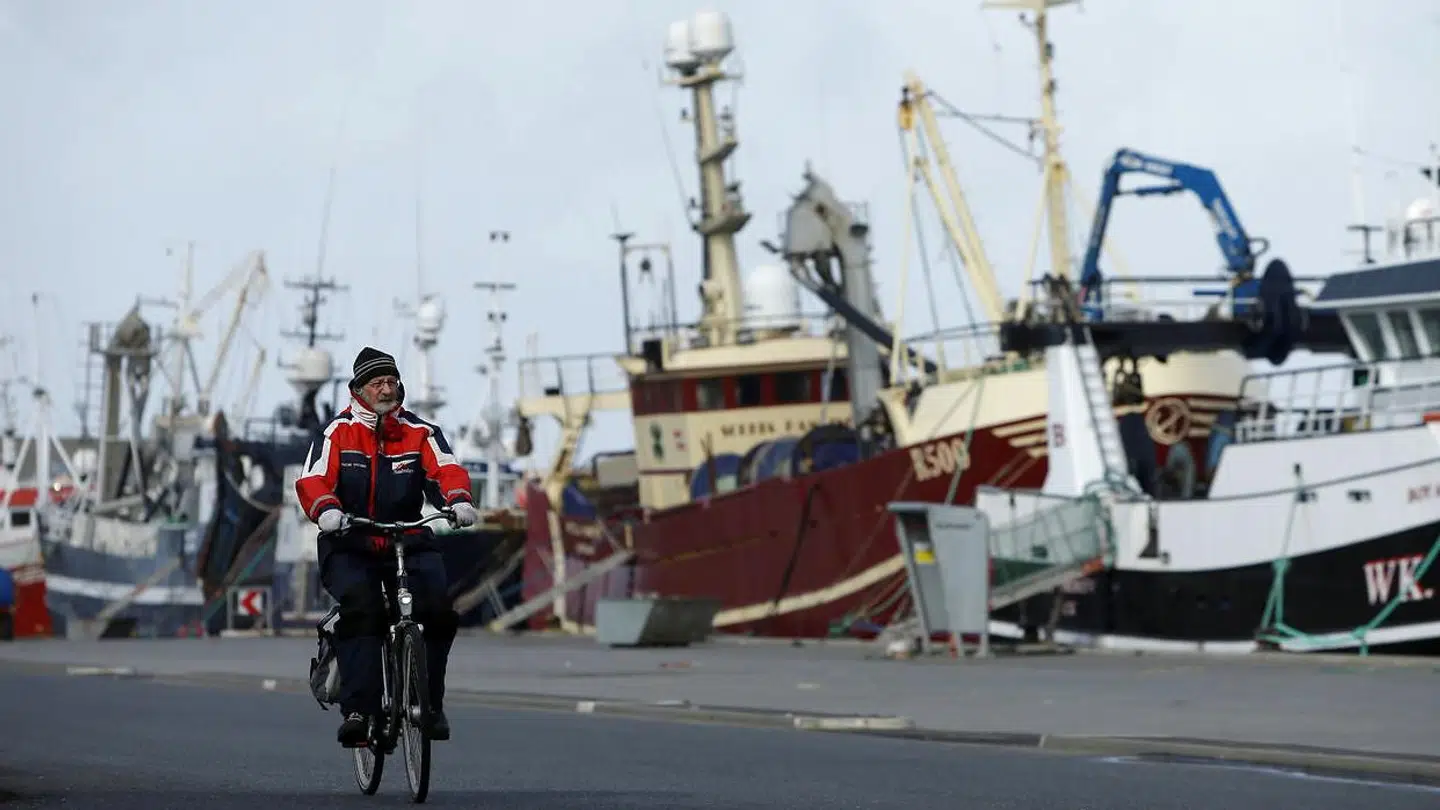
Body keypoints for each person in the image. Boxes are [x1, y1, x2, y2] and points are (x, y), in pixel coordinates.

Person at [295, 346, 479, 746]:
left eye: (391, 381)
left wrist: (459, 499)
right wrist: (326, 510)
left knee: (438, 611)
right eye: (377, 382)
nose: (386, 388)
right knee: (362, 611)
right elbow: (313, 480)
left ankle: (428, 703)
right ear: (358, 390)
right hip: (350, 541)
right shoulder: (336, 433)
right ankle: (359, 711)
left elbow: (445, 469)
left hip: (409, 537)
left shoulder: (420, 432)